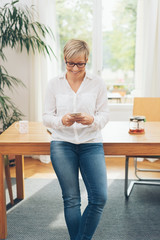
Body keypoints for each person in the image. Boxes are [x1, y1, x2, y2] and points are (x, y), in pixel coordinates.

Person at [43, 39, 109, 240]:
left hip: (91, 143)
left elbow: (104, 115)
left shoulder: (97, 83)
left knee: (99, 197)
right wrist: (61, 121)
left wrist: (92, 120)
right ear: (64, 59)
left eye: (79, 64)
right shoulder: (54, 84)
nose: (74, 68)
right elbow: (46, 117)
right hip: (62, 144)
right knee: (71, 199)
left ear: (87, 60)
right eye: (70, 63)